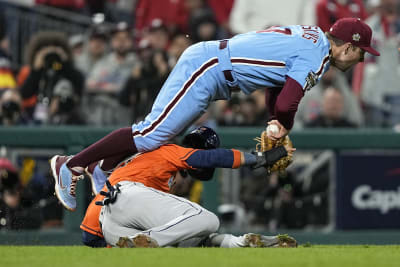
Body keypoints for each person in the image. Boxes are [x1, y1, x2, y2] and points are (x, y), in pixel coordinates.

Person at [51, 18, 380, 211]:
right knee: (151, 133)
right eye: (361, 53)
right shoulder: (320, 56)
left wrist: (277, 123)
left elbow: (276, 89)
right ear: (348, 46)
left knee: (155, 134)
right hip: (209, 68)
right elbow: (286, 102)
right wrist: (282, 125)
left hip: (212, 68)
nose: (360, 60)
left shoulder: (310, 35)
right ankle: (71, 164)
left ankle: (102, 166)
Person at [79, 126, 296, 247]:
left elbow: (89, 239)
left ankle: (240, 243)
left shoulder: (149, 162)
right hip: (126, 196)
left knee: (185, 239)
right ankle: (151, 240)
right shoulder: (169, 149)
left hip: (107, 223)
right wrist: (259, 158)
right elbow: (209, 159)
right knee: (210, 220)